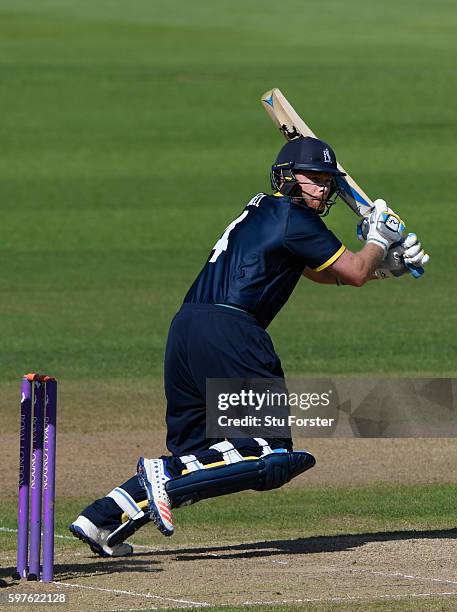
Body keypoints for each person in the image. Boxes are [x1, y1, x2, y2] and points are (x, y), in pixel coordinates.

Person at [70, 136, 429, 556]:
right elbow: (352, 270)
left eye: (328, 181)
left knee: (204, 456)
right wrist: (379, 240)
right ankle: (159, 474)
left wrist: (386, 266)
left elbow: (328, 273)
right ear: (288, 177)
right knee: (268, 452)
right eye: (314, 178)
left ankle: (101, 519)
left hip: (187, 330)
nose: (324, 188)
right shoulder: (297, 219)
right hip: (231, 334)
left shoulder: (263, 211)